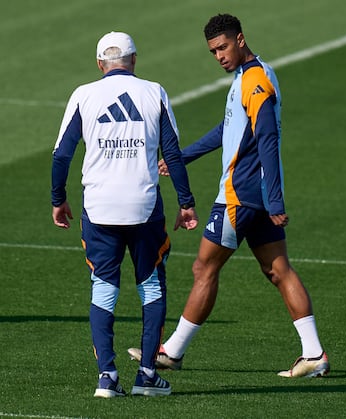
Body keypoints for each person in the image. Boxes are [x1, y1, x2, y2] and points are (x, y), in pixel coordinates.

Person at [128, 14, 329, 378]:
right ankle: (313, 352)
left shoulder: (255, 82)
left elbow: (267, 138)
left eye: (222, 47)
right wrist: (181, 157)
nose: (219, 56)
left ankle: (172, 352)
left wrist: (277, 199)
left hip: (241, 197)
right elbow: (230, 127)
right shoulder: (247, 77)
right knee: (278, 269)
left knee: (204, 267)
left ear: (240, 39)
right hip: (257, 197)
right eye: (213, 52)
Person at [51, 31, 199, 397]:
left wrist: (59, 199)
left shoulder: (83, 95)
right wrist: (186, 202)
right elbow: (174, 153)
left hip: (98, 208)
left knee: (103, 288)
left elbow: (61, 155)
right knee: (150, 285)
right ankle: (147, 374)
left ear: (100, 64)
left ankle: (107, 377)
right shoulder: (154, 92)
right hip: (144, 207)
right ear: (134, 60)